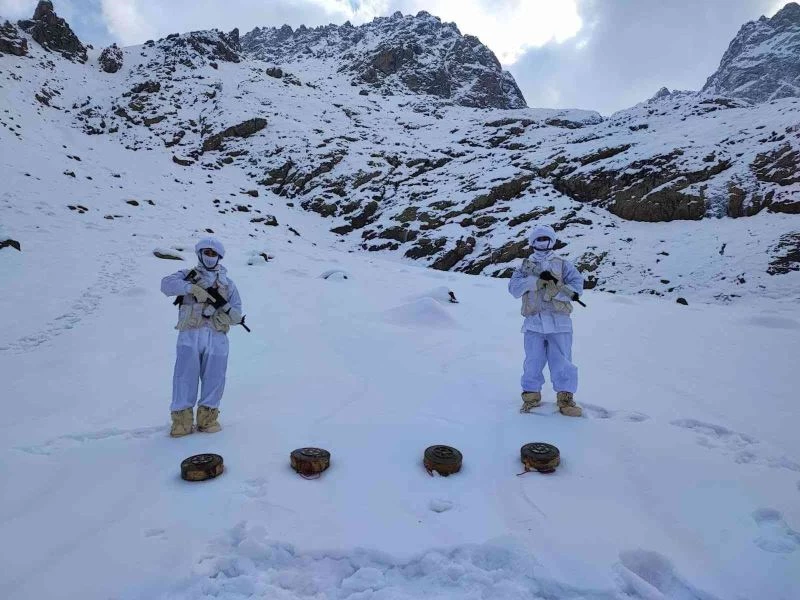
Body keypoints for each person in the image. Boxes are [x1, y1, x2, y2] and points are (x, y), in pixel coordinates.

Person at [160, 237, 242, 437]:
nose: (210, 257)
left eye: (214, 254)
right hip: (190, 334)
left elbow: (237, 311)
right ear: (200, 254)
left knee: (215, 378)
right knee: (184, 378)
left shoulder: (228, 284)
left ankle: (208, 419)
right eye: (207, 252)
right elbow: (166, 285)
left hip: (216, 337)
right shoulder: (187, 275)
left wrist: (227, 316)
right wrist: (190, 288)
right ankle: (182, 422)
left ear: (219, 257)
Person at [508, 224, 584, 416]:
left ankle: (566, 400)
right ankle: (530, 398)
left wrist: (556, 292)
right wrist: (534, 283)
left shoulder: (563, 264)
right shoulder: (524, 267)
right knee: (533, 361)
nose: (542, 242)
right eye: (538, 239)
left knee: (563, 362)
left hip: (560, 322)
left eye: (545, 238)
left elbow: (577, 288)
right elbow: (514, 289)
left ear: (552, 240)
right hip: (534, 322)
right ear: (532, 242)